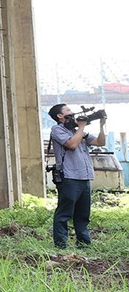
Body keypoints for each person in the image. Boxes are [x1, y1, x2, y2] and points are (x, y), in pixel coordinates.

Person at [47, 103, 105, 249]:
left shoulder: (77, 130)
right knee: (64, 213)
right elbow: (72, 144)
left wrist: (101, 125)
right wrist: (81, 127)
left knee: (83, 214)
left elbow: (100, 142)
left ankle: (84, 244)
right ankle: (61, 245)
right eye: (68, 110)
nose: (72, 112)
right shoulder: (57, 130)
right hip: (69, 176)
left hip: (84, 176)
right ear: (60, 116)